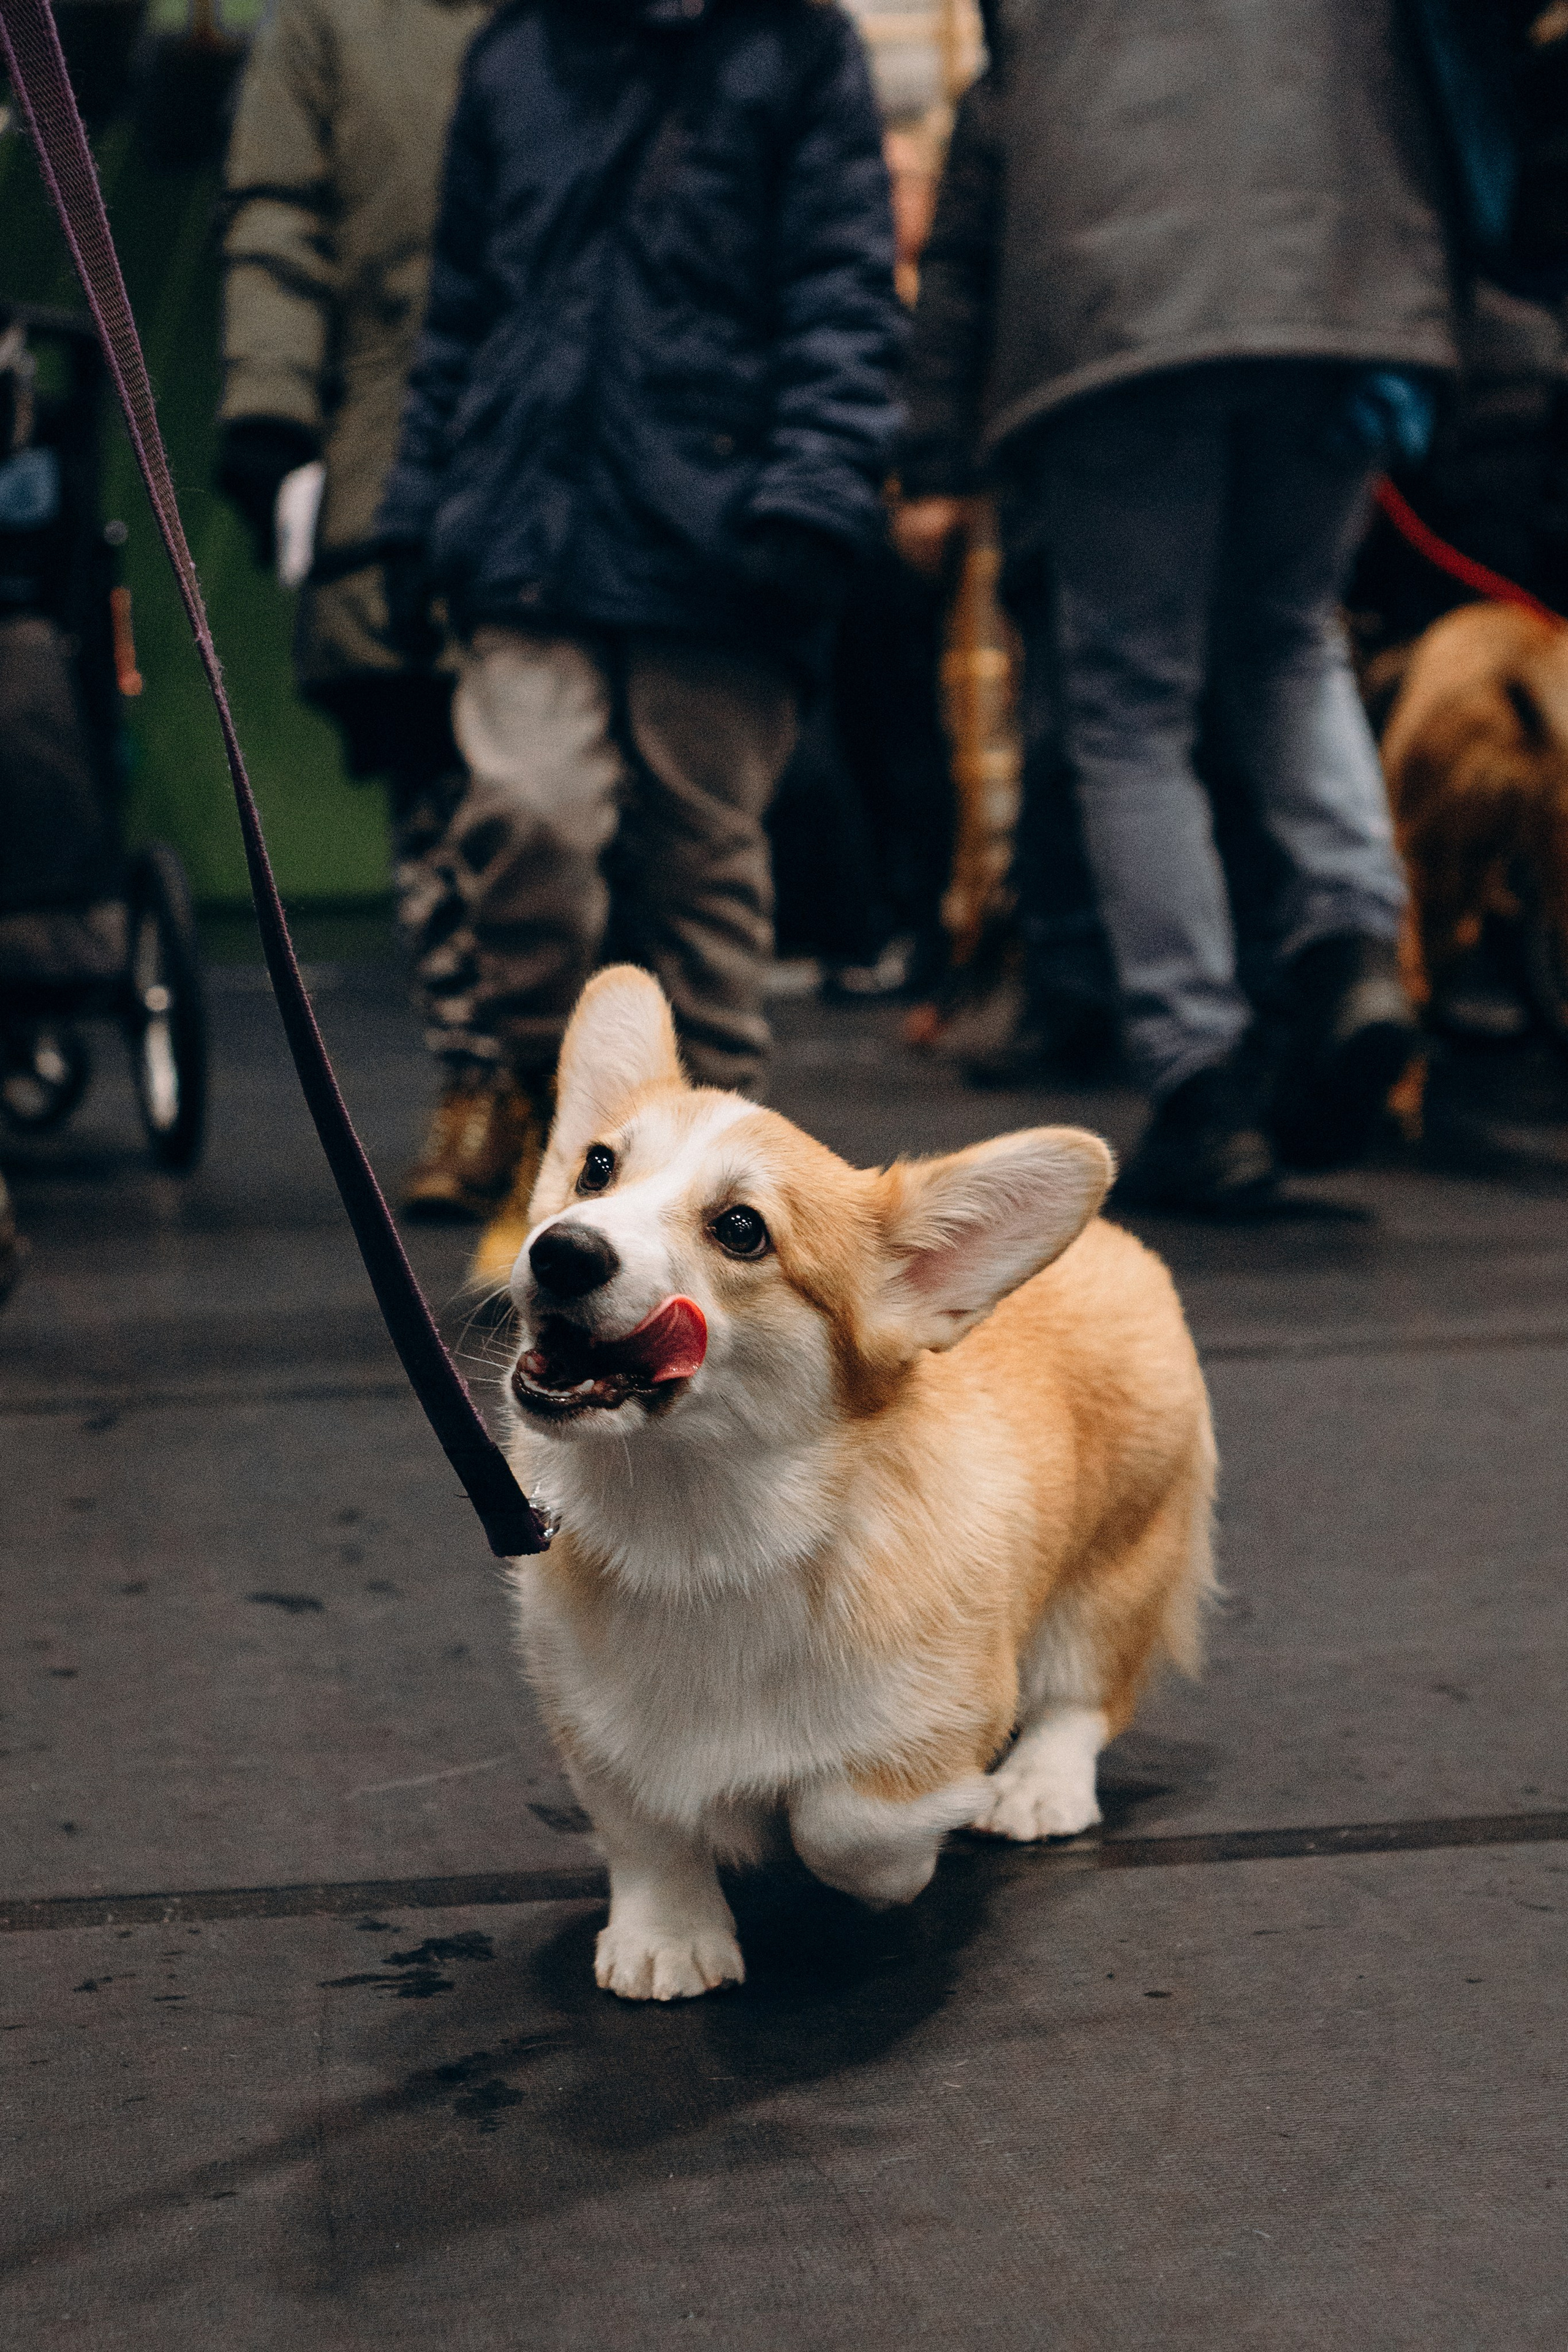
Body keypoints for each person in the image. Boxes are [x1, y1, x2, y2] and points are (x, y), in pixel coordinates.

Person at [894, 0, 1459, 1210]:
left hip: (1116, 323)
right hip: (1335, 293)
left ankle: (1195, 1077)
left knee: (1126, 702)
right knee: (1288, 640)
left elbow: (975, 208)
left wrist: (932, 454)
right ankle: (1351, 948)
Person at [375, 0, 903, 1279]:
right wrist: (411, 513)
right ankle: (555, 1156)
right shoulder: (516, 53)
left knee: (703, 868)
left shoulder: (798, 47)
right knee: (525, 813)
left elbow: (842, 288)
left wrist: (813, 492)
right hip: (525, 526)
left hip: (721, 532)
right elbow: (456, 309)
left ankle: (711, 1220)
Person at [218, 0, 557, 1226]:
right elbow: (278, 220)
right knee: (433, 797)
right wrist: (270, 416)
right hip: (391, 433)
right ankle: (481, 1081)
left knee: (582, 800)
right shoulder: (323, 21)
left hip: (576, 442)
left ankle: (592, 1095)